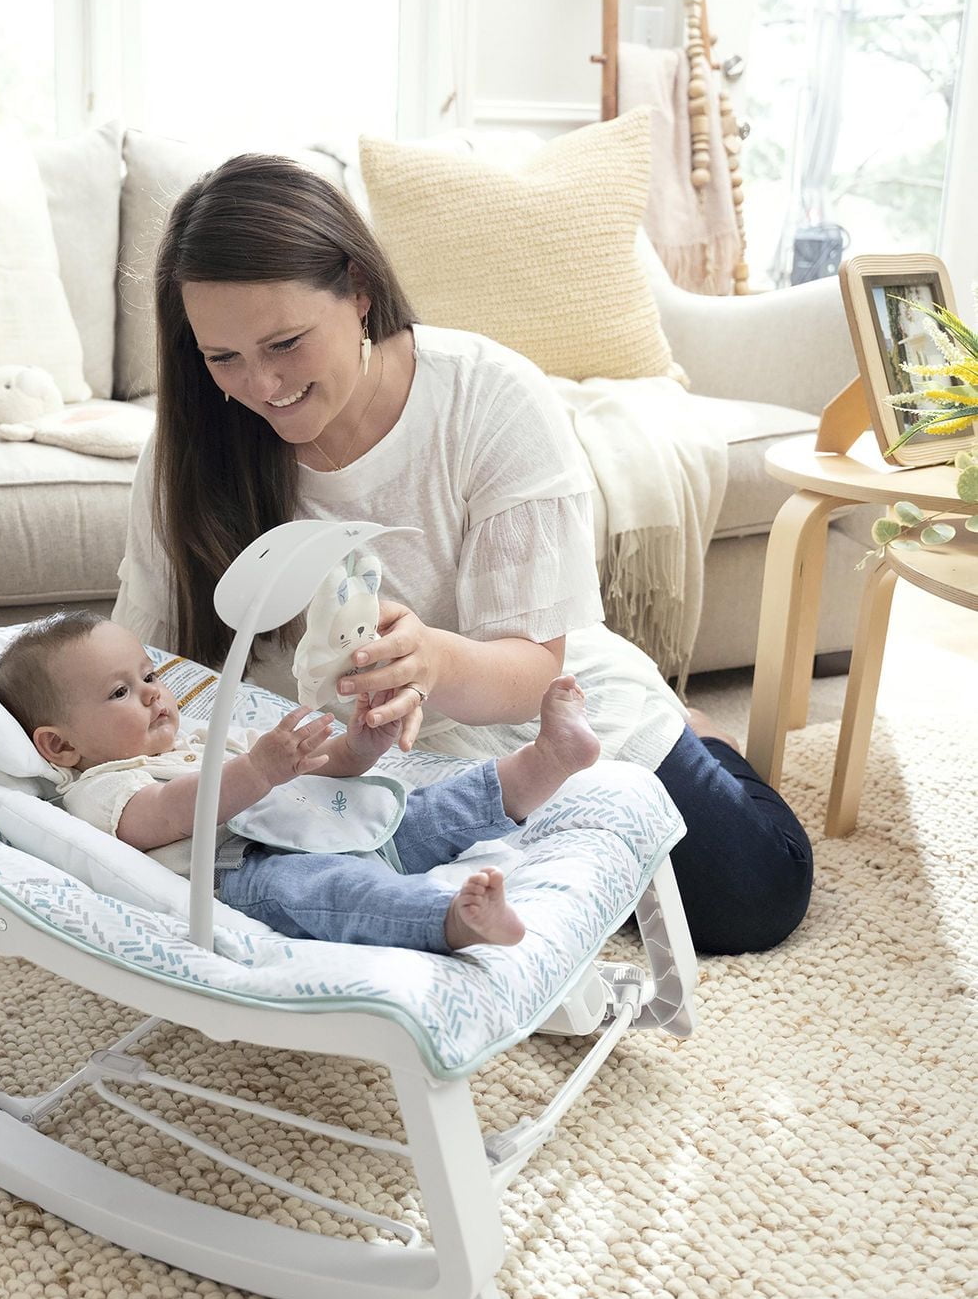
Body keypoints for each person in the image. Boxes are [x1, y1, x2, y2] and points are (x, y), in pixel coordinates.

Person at [110, 154, 813, 957]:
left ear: (359, 290)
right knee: (328, 911)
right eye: (222, 357)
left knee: (755, 895)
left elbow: (529, 672)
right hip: (347, 762)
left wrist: (431, 661)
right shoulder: (190, 446)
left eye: (286, 343)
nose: (262, 384)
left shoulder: (488, 397)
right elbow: (143, 657)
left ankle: (690, 729)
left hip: (517, 702)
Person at [0, 610, 600, 953]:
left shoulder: (196, 739)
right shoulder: (97, 788)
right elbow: (171, 813)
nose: (154, 692)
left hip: (327, 820)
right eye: (121, 692)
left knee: (427, 809)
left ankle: (542, 762)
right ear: (60, 744)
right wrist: (255, 770)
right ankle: (451, 921)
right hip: (252, 871)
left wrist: (359, 747)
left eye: (149, 675)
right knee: (339, 891)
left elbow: (312, 771)